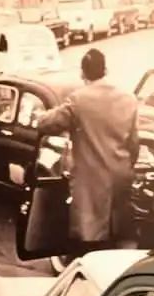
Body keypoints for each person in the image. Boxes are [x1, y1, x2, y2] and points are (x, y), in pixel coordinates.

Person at [36, 48, 140, 251]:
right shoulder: (128, 98)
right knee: (119, 229)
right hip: (121, 176)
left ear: (83, 73)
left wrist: (39, 116)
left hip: (91, 180)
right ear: (105, 70)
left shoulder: (79, 100)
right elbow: (134, 142)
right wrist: (128, 166)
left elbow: (48, 124)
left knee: (89, 234)